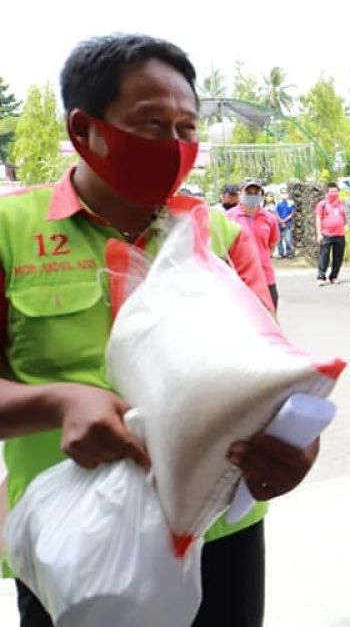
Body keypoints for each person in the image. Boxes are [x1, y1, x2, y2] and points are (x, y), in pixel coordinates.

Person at [0, 34, 317, 627]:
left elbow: (273, 380)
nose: (174, 146)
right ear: (83, 129)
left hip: (218, 535)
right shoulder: (10, 230)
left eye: (187, 129)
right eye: (150, 125)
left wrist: (298, 445)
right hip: (73, 544)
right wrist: (59, 400)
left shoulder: (219, 237)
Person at [226, 179, 282, 309]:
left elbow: (272, 244)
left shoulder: (269, 218)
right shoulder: (229, 217)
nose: (252, 196)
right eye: (249, 192)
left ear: (261, 196)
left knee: (269, 314)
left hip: (265, 275)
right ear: (240, 194)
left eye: (256, 193)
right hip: (239, 276)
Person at [315, 182, 346, 285]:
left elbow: (346, 217)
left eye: (336, 191)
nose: (334, 193)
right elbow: (318, 219)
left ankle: (334, 276)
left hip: (340, 234)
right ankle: (321, 276)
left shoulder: (342, 203)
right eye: (331, 191)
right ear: (327, 193)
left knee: (338, 257)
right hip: (326, 234)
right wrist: (319, 234)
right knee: (324, 256)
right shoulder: (322, 204)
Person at [275, 187, 296, 259]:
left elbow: (291, 214)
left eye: (285, 193)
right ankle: (281, 253)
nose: (284, 194)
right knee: (279, 239)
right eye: (282, 193)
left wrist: (284, 221)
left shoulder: (291, 203)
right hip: (279, 224)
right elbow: (276, 213)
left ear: (288, 194)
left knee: (288, 239)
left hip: (288, 224)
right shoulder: (278, 203)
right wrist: (280, 221)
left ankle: (289, 252)